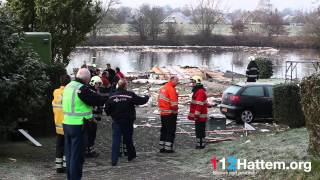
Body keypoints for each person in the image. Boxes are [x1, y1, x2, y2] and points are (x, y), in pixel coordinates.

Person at [62, 68, 105, 180]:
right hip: (79, 126)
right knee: (77, 157)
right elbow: (97, 99)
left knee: (70, 155)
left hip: (66, 124)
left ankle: (70, 177)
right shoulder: (82, 89)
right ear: (87, 79)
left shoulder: (68, 86)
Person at [105, 79, 149, 166]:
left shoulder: (112, 96)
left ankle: (114, 160)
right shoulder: (130, 95)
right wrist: (146, 97)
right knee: (128, 139)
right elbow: (140, 101)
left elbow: (107, 109)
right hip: (127, 121)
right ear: (125, 86)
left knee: (116, 140)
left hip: (116, 120)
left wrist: (111, 114)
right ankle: (131, 156)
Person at [52, 74, 71, 173]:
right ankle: (65, 165)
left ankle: (58, 167)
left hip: (58, 124)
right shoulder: (69, 92)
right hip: (67, 123)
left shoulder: (56, 92)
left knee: (59, 145)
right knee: (67, 145)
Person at [158, 76, 179, 153]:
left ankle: (161, 147)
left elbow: (159, 100)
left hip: (163, 113)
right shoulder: (171, 89)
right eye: (177, 81)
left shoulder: (163, 88)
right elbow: (174, 104)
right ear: (172, 80)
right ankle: (168, 148)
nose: (177, 83)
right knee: (170, 131)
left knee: (164, 130)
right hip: (170, 113)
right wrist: (175, 111)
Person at [85, 76, 104, 158]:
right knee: (91, 135)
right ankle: (89, 150)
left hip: (92, 118)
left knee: (90, 134)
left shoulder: (91, 91)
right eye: (98, 84)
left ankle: (88, 149)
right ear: (93, 82)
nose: (99, 86)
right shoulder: (92, 93)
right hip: (91, 118)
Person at [187, 76, 208, 149]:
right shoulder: (198, 91)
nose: (192, 84)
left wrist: (196, 115)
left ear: (197, 82)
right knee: (199, 130)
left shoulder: (200, 92)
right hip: (199, 116)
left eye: (193, 82)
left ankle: (201, 145)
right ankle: (200, 144)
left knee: (200, 131)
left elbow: (199, 104)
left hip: (200, 116)